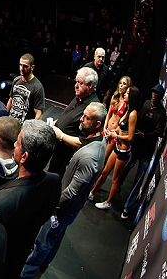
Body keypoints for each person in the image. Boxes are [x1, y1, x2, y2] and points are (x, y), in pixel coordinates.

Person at [21, 102, 107, 277]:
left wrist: (52, 204)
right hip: (68, 209)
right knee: (55, 237)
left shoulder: (89, 157)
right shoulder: (97, 140)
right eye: (82, 115)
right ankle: (44, 263)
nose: (81, 120)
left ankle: (26, 273)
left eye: (86, 118)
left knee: (43, 240)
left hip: (62, 209)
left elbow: (72, 192)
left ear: (98, 124)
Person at [0, 119, 61, 279]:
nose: (14, 145)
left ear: (24, 157)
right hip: (20, 257)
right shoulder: (55, 181)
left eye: (17, 143)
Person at [120, 83, 166, 219]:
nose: (154, 95)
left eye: (156, 94)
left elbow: (159, 131)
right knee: (126, 165)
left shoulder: (162, 113)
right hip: (137, 145)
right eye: (153, 92)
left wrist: (144, 135)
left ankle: (127, 207)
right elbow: (138, 118)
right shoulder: (146, 103)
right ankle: (118, 185)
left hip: (147, 150)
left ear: (161, 96)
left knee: (138, 180)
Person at [89, 86, 140, 209]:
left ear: (132, 96)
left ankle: (108, 202)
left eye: (128, 93)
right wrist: (111, 132)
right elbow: (121, 128)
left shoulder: (133, 114)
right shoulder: (127, 110)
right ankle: (91, 193)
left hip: (124, 151)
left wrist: (116, 136)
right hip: (117, 146)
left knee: (115, 179)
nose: (125, 95)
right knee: (105, 171)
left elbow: (130, 137)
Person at [47, 67, 99, 177]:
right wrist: (55, 123)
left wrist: (61, 136)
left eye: (80, 83)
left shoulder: (92, 109)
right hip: (58, 152)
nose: (76, 85)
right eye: (76, 82)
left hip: (67, 159)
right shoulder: (79, 97)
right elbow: (67, 117)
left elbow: (83, 142)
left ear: (90, 85)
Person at [101, 76, 132, 166]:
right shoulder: (115, 97)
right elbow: (108, 115)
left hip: (114, 134)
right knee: (98, 155)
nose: (121, 86)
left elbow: (124, 121)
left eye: (124, 84)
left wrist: (113, 133)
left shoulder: (127, 103)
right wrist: (104, 128)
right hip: (106, 130)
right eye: (120, 83)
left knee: (104, 159)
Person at [7, 53, 45, 123]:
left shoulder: (37, 87)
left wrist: (31, 129)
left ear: (32, 67)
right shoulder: (16, 80)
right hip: (12, 122)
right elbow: (11, 100)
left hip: (24, 126)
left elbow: (39, 113)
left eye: (25, 66)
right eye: (20, 65)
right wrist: (6, 116)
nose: (22, 68)